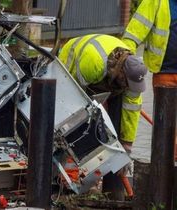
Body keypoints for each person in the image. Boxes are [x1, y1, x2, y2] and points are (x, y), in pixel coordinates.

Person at [58, 34, 148, 153]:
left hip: (105, 73)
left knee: (115, 120)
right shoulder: (94, 64)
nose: (129, 87)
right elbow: (75, 96)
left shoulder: (133, 73)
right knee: (82, 123)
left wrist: (126, 145)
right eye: (128, 83)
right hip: (76, 64)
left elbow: (131, 111)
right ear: (122, 73)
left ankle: (112, 152)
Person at [121, 0, 177, 159]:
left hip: (166, 73)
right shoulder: (156, 2)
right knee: (165, 130)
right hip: (164, 73)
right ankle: (162, 170)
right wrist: (125, 63)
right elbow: (133, 34)